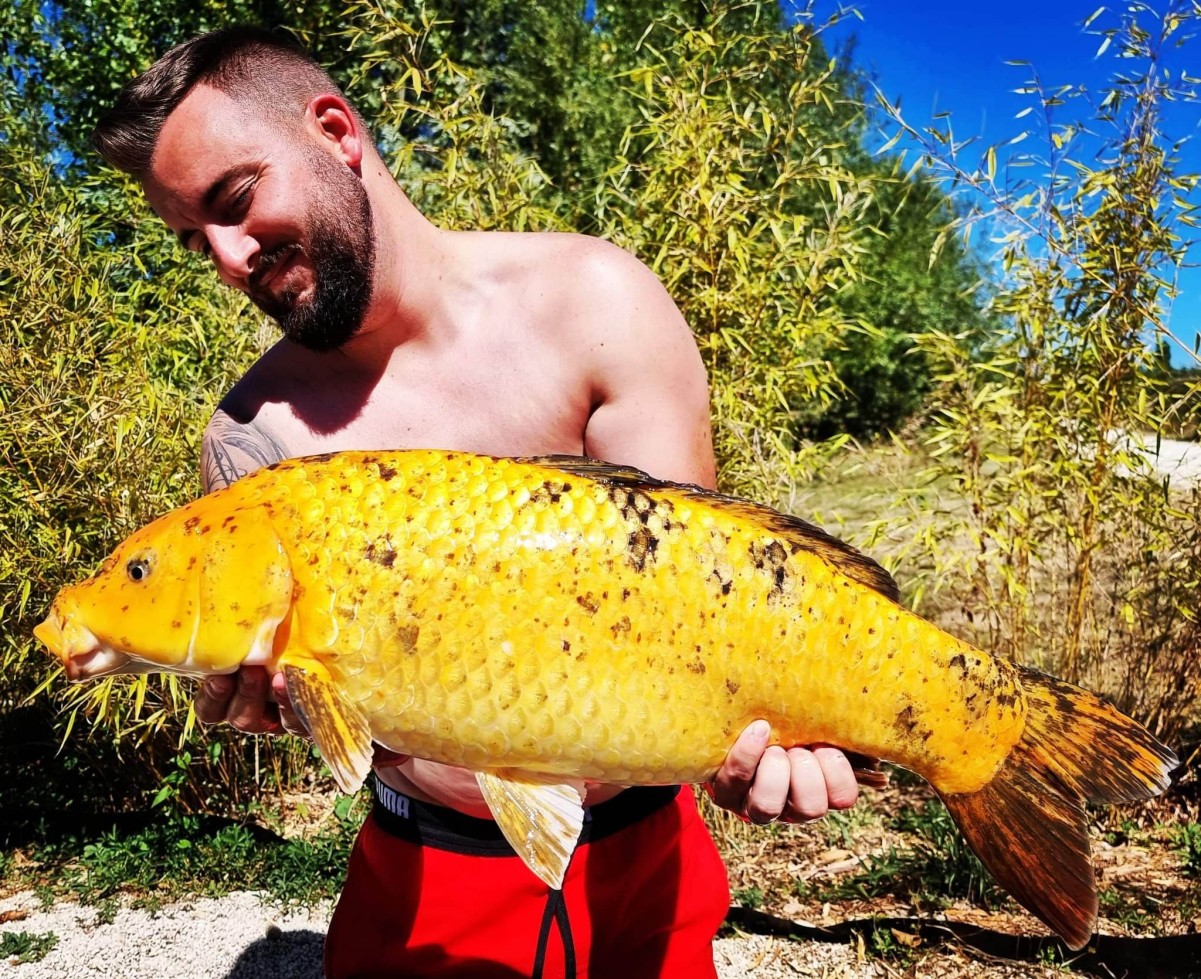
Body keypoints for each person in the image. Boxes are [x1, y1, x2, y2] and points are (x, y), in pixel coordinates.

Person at [92, 26, 862, 978]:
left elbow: (704, 605)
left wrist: (763, 747)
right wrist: (252, 703)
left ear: (335, 129)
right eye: (191, 237)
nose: (225, 257)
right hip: (428, 877)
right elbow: (310, 711)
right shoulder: (252, 437)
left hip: (649, 857)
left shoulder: (595, 301)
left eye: (236, 201)